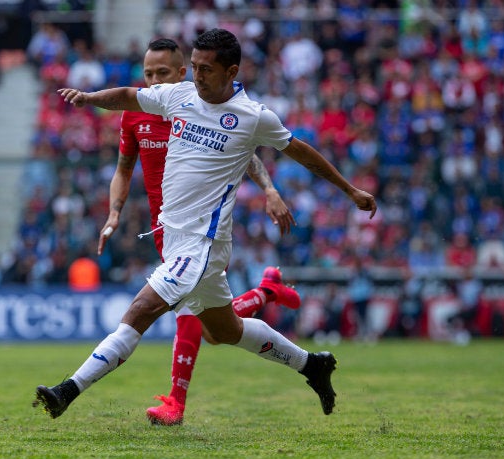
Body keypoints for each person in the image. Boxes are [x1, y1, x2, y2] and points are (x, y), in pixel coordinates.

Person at [34, 28, 377, 422]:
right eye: (194, 67)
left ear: (231, 71)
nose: (196, 76)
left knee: (140, 311)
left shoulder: (253, 117)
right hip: (175, 235)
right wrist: (90, 98)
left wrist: (350, 191)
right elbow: (130, 96)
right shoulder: (179, 96)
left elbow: (301, 152)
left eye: (206, 69)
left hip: (202, 242)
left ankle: (67, 391)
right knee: (225, 331)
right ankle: (311, 365)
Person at [96, 38, 301, 426]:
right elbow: (123, 170)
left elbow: (247, 152)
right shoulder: (135, 115)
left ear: (180, 74)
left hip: (201, 227)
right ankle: (265, 292)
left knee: (187, 311)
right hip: (164, 226)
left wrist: (270, 190)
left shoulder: (191, 106)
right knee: (214, 330)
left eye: (162, 73)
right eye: (148, 73)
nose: (153, 79)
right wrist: (114, 212)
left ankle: (175, 402)